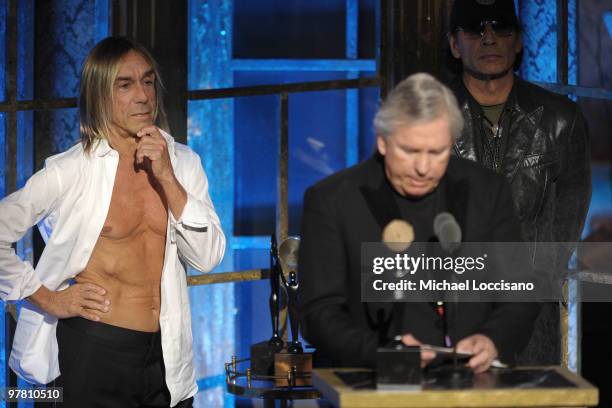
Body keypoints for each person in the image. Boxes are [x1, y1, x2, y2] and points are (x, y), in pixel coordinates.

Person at [0, 36, 225, 407]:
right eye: (125, 84)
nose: (142, 95)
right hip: (94, 348)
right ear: (100, 95)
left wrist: (167, 178)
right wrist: (47, 299)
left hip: (167, 356)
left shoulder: (184, 163)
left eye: (148, 82)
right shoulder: (70, 170)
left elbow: (209, 256)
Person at [298, 73, 537, 372]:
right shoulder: (331, 200)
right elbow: (318, 313)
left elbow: (520, 294)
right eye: (410, 151)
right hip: (372, 385)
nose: (423, 168)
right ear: (383, 142)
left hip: (471, 386)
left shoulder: (487, 190)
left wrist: (492, 340)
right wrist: (382, 353)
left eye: (437, 152)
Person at [447, 0, 591, 364]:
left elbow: (571, 207)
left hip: (531, 316)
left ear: (520, 41)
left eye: (502, 28)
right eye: (475, 29)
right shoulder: (427, 117)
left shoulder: (561, 119)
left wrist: (535, 281)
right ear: (454, 44)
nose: (490, 38)